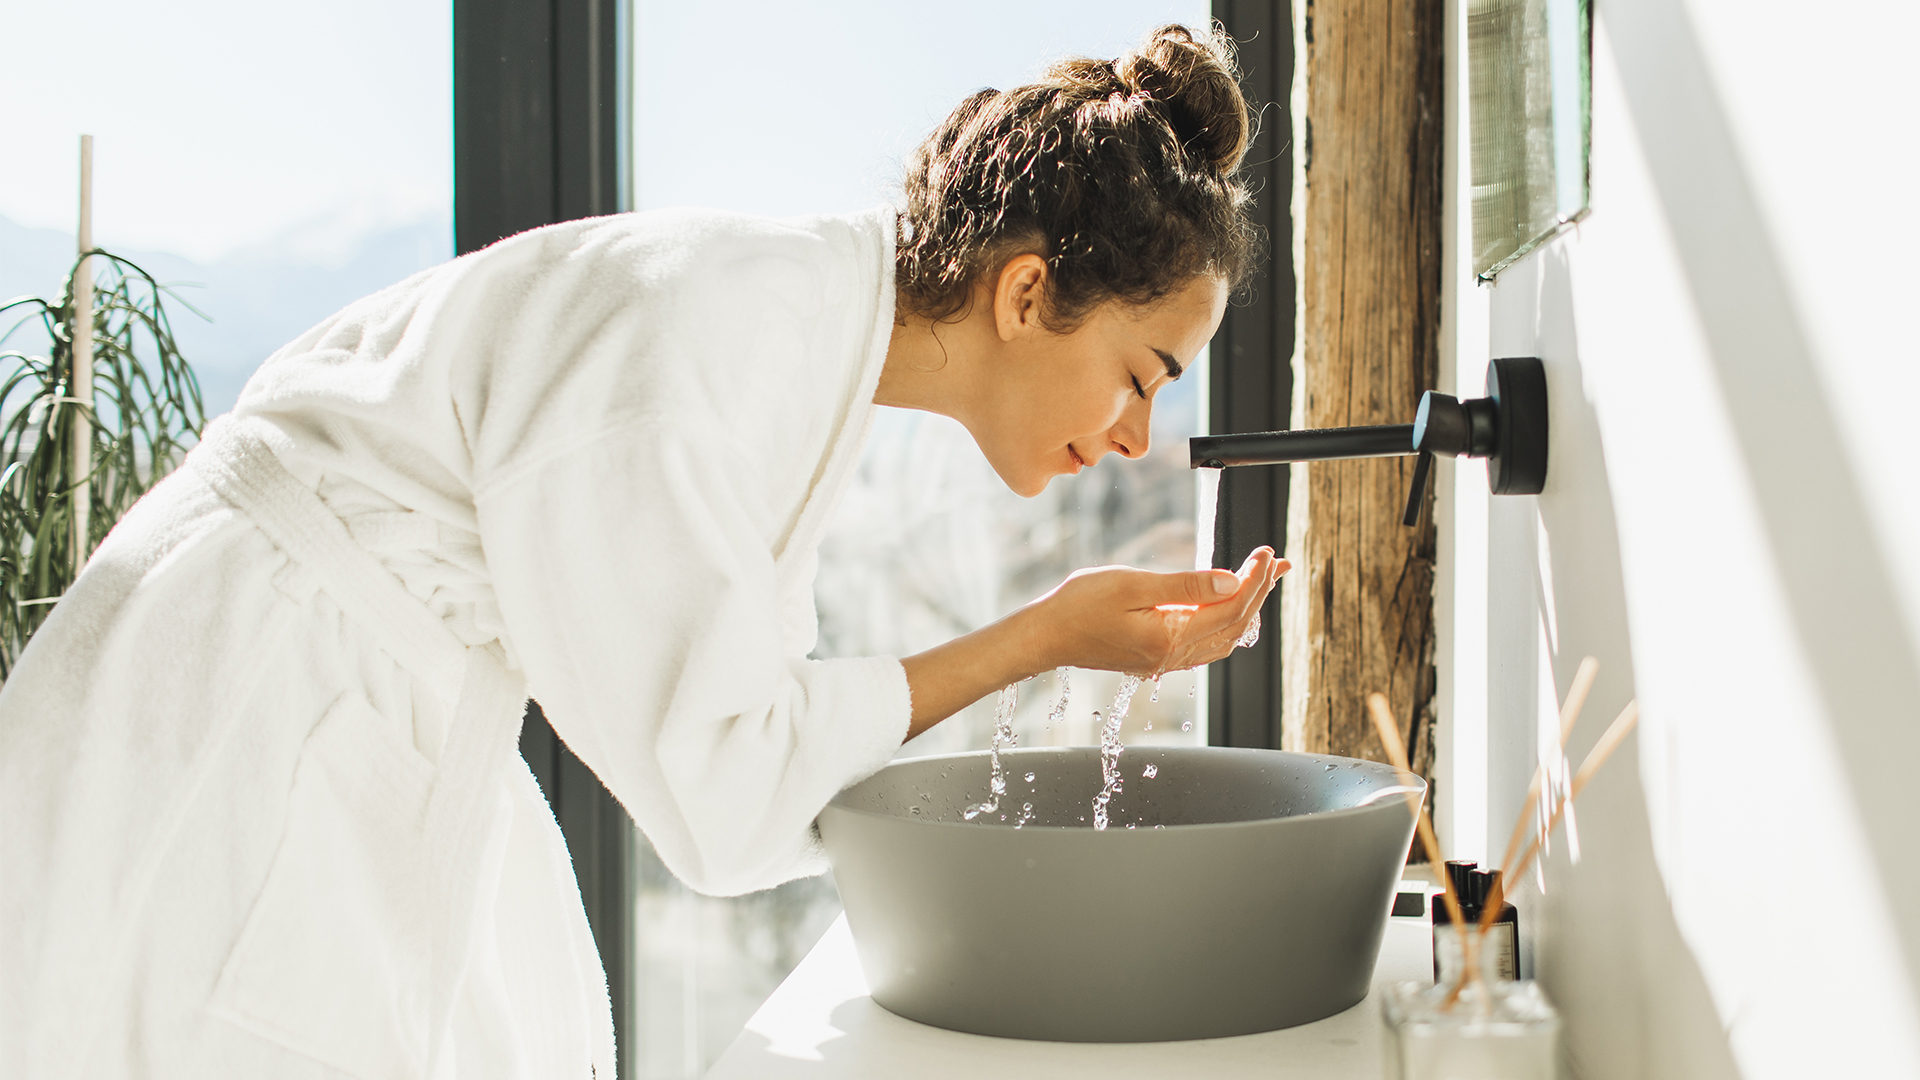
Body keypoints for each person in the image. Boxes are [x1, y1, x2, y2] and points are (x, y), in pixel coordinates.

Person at [0, 22, 1285, 1079]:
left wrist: (1050, 639)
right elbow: (727, 802)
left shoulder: (793, 346)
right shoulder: (710, 344)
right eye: (1142, 373)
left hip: (344, 685)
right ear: (1024, 295)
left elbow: (760, 751)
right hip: (246, 702)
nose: (1137, 437)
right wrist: (1047, 636)